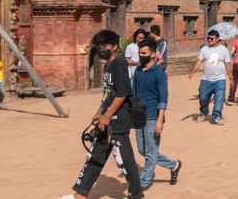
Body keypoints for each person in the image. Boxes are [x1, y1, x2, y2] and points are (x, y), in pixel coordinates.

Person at [69, 29, 143, 199]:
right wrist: (99, 112)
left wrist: (107, 116)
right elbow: (108, 93)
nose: (102, 48)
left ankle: (136, 194)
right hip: (107, 119)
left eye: (105, 45)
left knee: (125, 159)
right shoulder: (109, 65)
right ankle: (81, 193)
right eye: (99, 46)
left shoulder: (120, 64)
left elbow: (122, 94)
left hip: (118, 120)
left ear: (115, 46)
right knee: (96, 155)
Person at [132, 38, 182, 190]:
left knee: (151, 150)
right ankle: (173, 165)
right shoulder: (138, 71)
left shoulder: (159, 73)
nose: (141, 55)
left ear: (153, 54)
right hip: (139, 115)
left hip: (153, 116)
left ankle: (143, 182)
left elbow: (163, 98)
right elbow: (134, 95)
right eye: (140, 53)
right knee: (143, 150)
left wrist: (160, 120)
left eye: (144, 53)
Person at [190, 29, 232, 125]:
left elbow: (227, 63)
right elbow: (199, 61)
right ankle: (204, 112)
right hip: (206, 79)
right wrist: (193, 71)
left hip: (220, 79)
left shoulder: (223, 50)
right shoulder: (204, 49)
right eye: (208, 38)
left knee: (219, 98)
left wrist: (231, 77)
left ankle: (216, 115)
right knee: (203, 97)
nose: (209, 40)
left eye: (211, 38)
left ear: (217, 39)